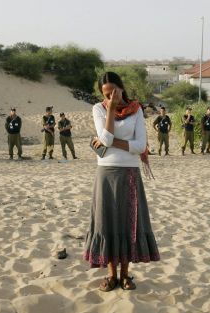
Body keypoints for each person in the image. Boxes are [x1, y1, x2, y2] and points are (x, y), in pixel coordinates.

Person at [85, 72, 160, 292]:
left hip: (130, 172)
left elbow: (140, 146)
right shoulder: (98, 108)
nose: (110, 97)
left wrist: (112, 143)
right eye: (105, 94)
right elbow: (105, 139)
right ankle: (111, 275)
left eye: (113, 92)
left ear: (121, 88)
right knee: (107, 222)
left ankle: (125, 275)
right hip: (106, 173)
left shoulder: (136, 110)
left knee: (129, 222)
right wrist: (110, 110)